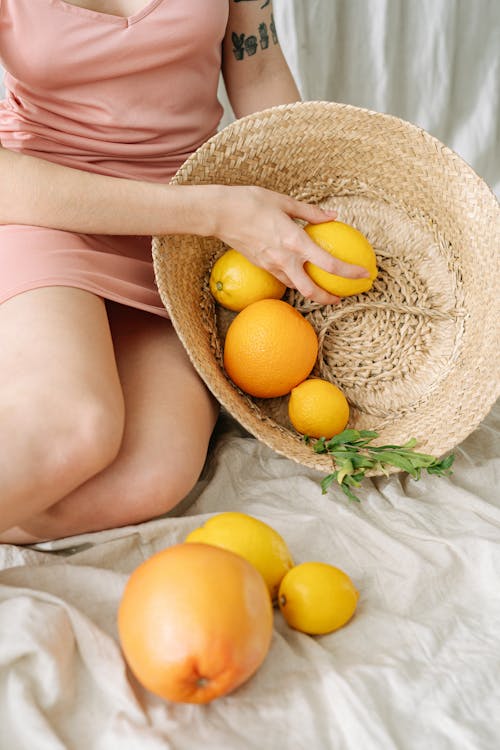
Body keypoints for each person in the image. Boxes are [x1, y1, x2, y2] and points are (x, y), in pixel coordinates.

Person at [0, 0, 368, 544]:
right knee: (76, 425)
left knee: (153, 475)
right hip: (51, 212)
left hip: (181, 246)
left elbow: (260, 69)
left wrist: (306, 217)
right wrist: (215, 211)